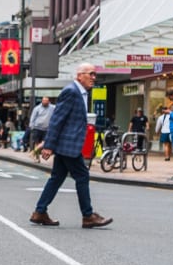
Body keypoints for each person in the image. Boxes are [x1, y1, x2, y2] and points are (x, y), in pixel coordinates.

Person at [29, 63, 112, 229]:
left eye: (95, 75)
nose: (94, 78)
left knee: (57, 178)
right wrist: (49, 145)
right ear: (79, 75)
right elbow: (57, 119)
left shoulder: (81, 93)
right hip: (68, 144)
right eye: (91, 74)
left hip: (68, 144)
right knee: (82, 176)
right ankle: (88, 216)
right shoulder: (71, 92)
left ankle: (40, 212)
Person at [27, 96, 54, 160]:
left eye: (46, 101)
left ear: (48, 101)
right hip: (37, 128)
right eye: (44, 101)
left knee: (44, 143)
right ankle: (37, 157)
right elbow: (32, 117)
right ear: (42, 101)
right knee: (37, 143)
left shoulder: (52, 107)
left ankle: (33, 152)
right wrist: (31, 126)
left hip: (47, 129)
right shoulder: (37, 108)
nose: (45, 102)